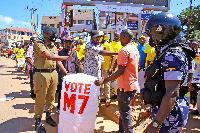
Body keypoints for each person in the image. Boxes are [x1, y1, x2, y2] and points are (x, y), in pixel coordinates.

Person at [142, 12, 196, 133]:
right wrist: (151, 111)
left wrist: (155, 124)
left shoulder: (172, 56)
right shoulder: (165, 53)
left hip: (170, 118)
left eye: (151, 34)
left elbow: (172, 93)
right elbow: (161, 87)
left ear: (161, 32)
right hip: (165, 114)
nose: (150, 38)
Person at [95, 29, 140, 133]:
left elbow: (120, 71)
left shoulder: (124, 51)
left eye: (120, 37)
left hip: (125, 86)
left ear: (124, 37)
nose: (119, 39)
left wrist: (104, 80)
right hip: (132, 85)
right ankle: (121, 131)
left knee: (125, 113)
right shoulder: (134, 48)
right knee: (123, 110)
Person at [33, 25, 74, 133]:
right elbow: (49, 56)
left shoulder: (53, 45)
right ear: (46, 35)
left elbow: (57, 61)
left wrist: (65, 72)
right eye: (52, 35)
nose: (54, 37)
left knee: (51, 98)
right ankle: (38, 121)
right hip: (42, 74)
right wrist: (67, 57)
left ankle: (48, 116)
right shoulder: (39, 44)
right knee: (40, 99)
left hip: (53, 73)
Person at [56, 37, 79, 113]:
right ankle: (59, 107)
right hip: (63, 76)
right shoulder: (60, 53)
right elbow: (58, 64)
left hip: (73, 75)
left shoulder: (74, 53)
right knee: (62, 92)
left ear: (72, 43)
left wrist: (77, 75)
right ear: (63, 44)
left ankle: (70, 107)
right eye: (66, 43)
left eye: (69, 43)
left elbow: (76, 65)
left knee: (72, 92)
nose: (68, 44)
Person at [100, 34, 115, 106]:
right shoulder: (98, 45)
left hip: (106, 68)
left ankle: (108, 99)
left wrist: (111, 67)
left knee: (107, 84)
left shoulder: (107, 45)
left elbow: (113, 56)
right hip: (99, 68)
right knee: (100, 84)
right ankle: (102, 97)